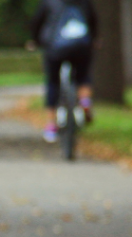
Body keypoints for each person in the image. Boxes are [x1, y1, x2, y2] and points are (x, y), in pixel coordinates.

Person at [30, 0, 98, 143]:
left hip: (55, 48)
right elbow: (93, 20)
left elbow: (37, 21)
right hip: (81, 47)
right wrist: (95, 40)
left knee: (53, 82)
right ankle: (85, 102)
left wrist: (34, 40)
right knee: (83, 76)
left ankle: (51, 124)